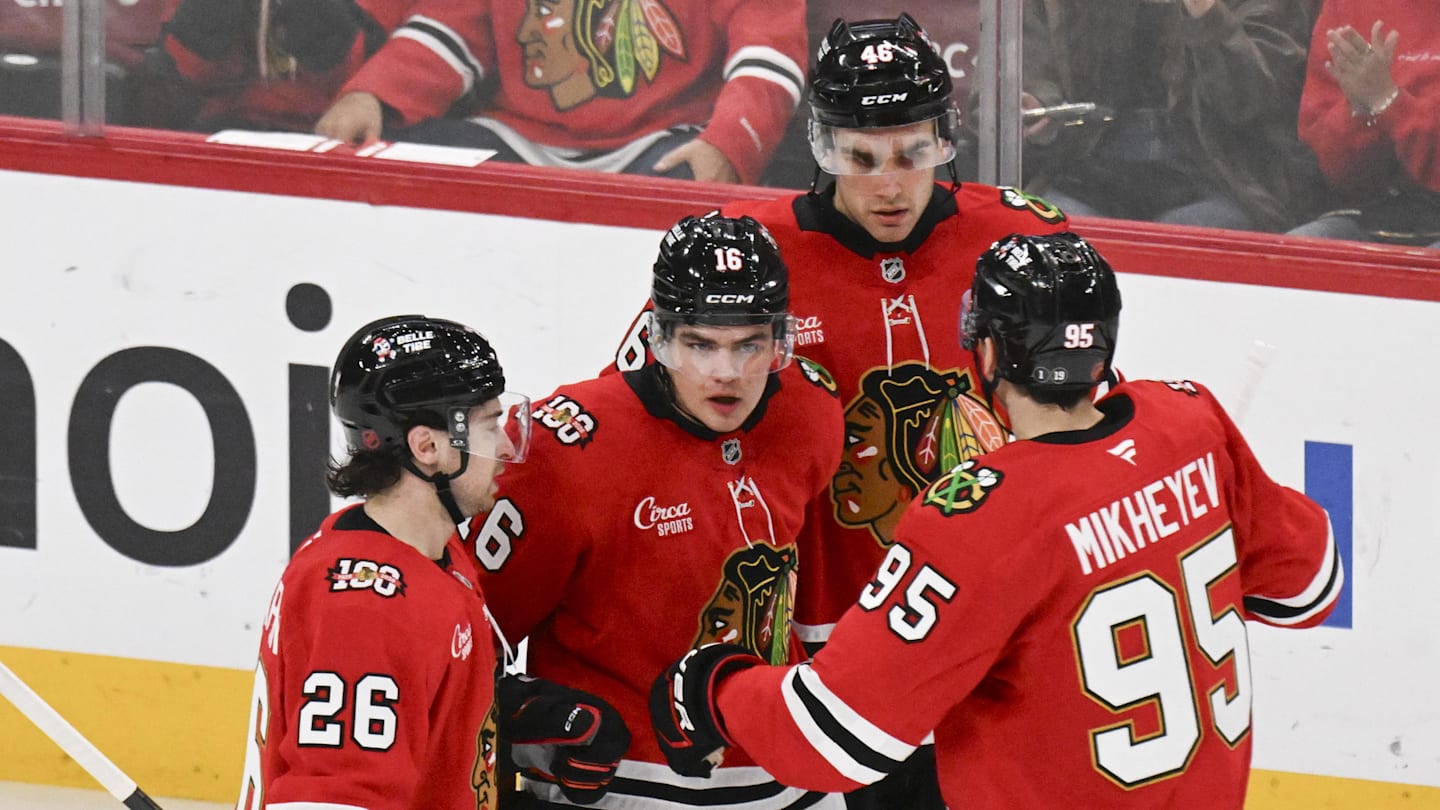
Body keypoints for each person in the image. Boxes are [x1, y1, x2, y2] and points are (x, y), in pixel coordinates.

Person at [650, 231, 1346, 809]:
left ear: (985, 352)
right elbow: (1309, 587)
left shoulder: (978, 512)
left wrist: (718, 687)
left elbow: (838, 736)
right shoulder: (1190, 420)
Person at [610, 16, 1070, 805]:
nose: (888, 184)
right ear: (822, 147)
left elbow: (1078, 431)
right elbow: (644, 417)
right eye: (860, 157)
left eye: (912, 153)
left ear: (945, 139)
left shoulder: (1019, 239)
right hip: (839, 657)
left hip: (1005, 635)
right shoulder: (749, 261)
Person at [468, 212, 846, 808]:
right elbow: (464, 632)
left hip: (790, 769)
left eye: (749, 345)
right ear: (659, 336)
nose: (727, 373)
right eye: (700, 344)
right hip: (625, 781)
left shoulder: (813, 408)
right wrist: (535, 723)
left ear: (780, 339)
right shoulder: (563, 452)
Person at [234, 314, 531, 808]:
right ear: (428, 446)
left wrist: (518, 712)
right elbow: (333, 798)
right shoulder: (366, 607)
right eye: (487, 424)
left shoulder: (427, 548)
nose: (503, 446)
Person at [392, 0, 807, 184]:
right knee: (405, 158)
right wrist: (374, 98)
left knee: (691, 185)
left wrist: (728, 146)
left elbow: (766, 60)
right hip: (513, 139)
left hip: (662, 144)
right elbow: (450, 29)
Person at [1021, 0, 1327, 232]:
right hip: (1085, 167)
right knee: (1050, 233)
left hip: (1220, 175)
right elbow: (1019, 68)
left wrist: (1205, 13)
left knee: (1192, 241)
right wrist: (1037, 101)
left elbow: (1253, 98)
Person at [154, 0, 487, 143]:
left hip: (368, 139)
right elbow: (186, 71)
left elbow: (454, 19)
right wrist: (199, 41)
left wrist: (373, 96)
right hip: (233, 133)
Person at [1288, 3, 1440, 248]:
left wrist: (1389, 102)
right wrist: (1360, 108)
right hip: (1370, 213)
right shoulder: (1347, 7)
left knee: (1427, 276)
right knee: (1293, 252)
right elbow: (1324, 167)